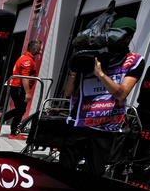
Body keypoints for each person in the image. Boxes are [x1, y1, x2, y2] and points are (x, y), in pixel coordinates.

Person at [60, 17, 144, 176]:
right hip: (78, 121)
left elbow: (122, 93)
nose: (120, 39)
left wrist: (100, 74)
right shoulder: (93, 55)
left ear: (130, 36)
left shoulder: (134, 61)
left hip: (105, 126)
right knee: (64, 170)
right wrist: (74, 69)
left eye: (125, 35)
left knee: (94, 173)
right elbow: (68, 92)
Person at [2, 39, 41, 137]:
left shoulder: (26, 58)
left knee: (20, 110)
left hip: (18, 88)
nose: (39, 51)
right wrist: (27, 92)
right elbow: (25, 77)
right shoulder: (27, 60)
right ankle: (12, 131)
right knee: (20, 110)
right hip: (19, 89)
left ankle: (5, 125)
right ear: (34, 49)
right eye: (39, 49)